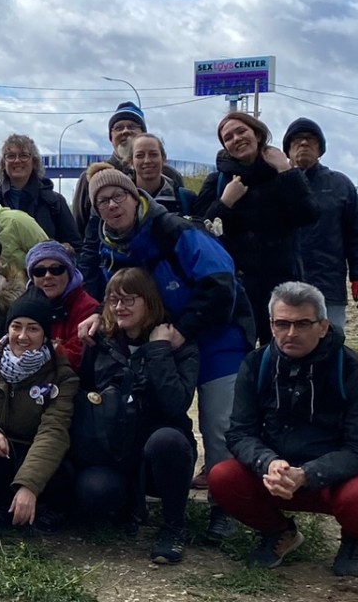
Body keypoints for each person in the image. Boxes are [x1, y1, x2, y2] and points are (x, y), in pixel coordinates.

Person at [89, 165, 251, 538]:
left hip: (217, 335)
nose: (112, 205)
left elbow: (220, 284)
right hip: (162, 340)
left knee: (219, 425)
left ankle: (225, 508)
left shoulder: (176, 230)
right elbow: (119, 292)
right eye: (102, 201)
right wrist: (100, 315)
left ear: (135, 197)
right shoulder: (111, 245)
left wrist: (183, 330)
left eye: (119, 196)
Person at [212, 281, 358, 578]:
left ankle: (356, 538)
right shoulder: (256, 364)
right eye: (282, 324)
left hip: (335, 479)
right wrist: (268, 463)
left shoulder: (354, 370)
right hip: (277, 475)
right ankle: (279, 531)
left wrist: (307, 474)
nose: (291, 333)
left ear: (323, 326)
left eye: (302, 324)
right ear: (271, 325)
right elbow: (240, 433)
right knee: (222, 477)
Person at [70, 268, 198, 565]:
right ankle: (128, 505)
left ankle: (174, 526)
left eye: (129, 300)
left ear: (149, 301)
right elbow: (86, 391)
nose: (119, 307)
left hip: (161, 450)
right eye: (113, 300)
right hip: (116, 449)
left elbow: (175, 403)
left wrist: (158, 350)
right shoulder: (101, 341)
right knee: (93, 491)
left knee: (167, 441)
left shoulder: (178, 344)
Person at [192, 111, 319, 344]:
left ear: (257, 135)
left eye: (241, 131)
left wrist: (286, 171)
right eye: (228, 137)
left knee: (282, 350)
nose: (236, 139)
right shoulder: (218, 181)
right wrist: (224, 203)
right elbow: (200, 232)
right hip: (237, 288)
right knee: (240, 352)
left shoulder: (281, 174)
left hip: (282, 285)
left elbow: (307, 215)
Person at [0, 295, 79, 531]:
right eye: (16, 326)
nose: (22, 336)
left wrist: (29, 485)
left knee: (56, 471)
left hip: (36, 449)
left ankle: (46, 506)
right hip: (2, 450)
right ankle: (3, 503)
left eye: (33, 329)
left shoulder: (62, 375)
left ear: (45, 335)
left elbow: (53, 431)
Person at [74, 102, 186, 294]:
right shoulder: (90, 178)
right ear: (110, 137)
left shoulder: (171, 176)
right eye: (118, 128)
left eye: (132, 126)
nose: (125, 131)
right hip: (114, 281)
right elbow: (84, 231)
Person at [284, 119, 358, 332]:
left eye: (311, 139)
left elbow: (357, 234)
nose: (304, 143)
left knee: (331, 340)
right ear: (287, 149)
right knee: (287, 341)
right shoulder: (275, 184)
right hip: (283, 285)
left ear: (320, 149)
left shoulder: (340, 185)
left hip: (328, 284)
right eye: (297, 139)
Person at [0, 134, 80, 250]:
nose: (17, 161)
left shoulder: (54, 202)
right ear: (3, 164)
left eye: (24, 156)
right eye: (11, 156)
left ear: (34, 162)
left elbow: (76, 246)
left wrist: (64, 250)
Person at [22, 241, 101, 370]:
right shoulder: (23, 306)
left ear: (69, 273)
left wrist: (34, 349)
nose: (48, 276)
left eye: (56, 270)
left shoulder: (88, 308)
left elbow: (77, 358)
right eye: (39, 271)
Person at [127, 134, 196, 214]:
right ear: (131, 162)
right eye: (140, 156)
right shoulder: (120, 199)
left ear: (163, 158)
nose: (147, 161)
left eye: (153, 154)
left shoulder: (186, 199)